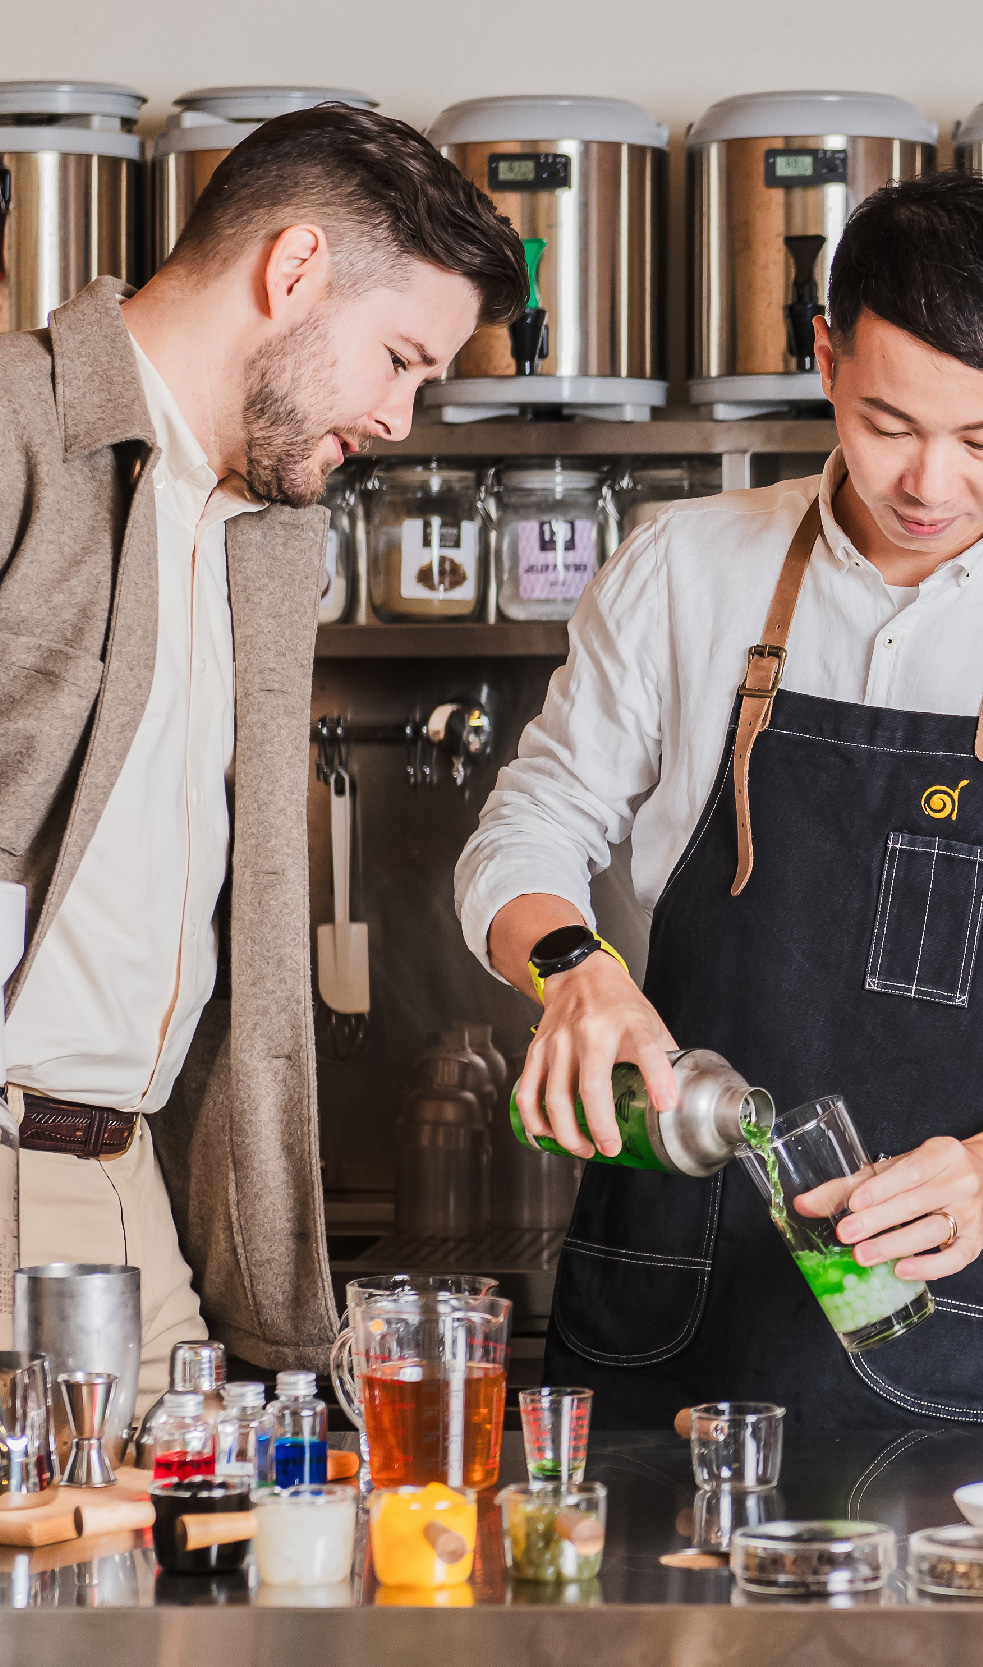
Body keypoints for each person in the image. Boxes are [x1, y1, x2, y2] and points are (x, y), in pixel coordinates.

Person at [457, 172, 983, 1429]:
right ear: (824, 356)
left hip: (953, 1309)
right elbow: (528, 824)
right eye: (887, 422)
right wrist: (571, 964)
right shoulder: (681, 570)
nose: (928, 480)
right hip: (667, 1289)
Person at [0, 105, 524, 1392]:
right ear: (293, 273)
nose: (401, 417)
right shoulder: (15, 425)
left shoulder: (263, 533)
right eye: (398, 357)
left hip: (136, 1197)